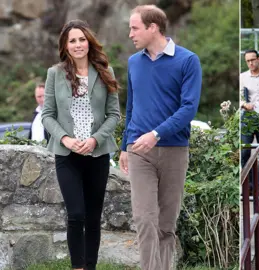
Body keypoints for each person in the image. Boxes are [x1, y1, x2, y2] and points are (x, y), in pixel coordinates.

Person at [118, 5, 202, 270]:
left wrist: (156, 134)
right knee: (144, 219)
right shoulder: (134, 62)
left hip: (174, 150)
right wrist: (124, 146)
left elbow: (188, 109)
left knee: (166, 224)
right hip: (138, 151)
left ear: (152, 27)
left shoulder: (188, 60)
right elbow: (131, 107)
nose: (130, 34)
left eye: (134, 28)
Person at [42, 19, 120, 270]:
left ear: (89, 42)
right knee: (76, 214)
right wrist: (65, 138)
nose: (78, 45)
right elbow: (47, 115)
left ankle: (90, 266)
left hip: (97, 153)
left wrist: (96, 139)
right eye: (72, 40)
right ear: (65, 45)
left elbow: (114, 115)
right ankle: (77, 267)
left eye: (81, 39)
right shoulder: (55, 73)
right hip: (67, 154)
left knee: (94, 217)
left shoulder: (106, 71)